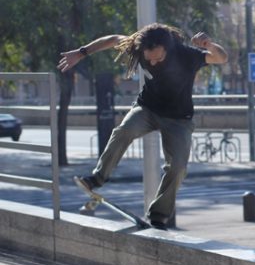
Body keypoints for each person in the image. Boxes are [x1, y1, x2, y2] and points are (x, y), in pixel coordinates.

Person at [58, 23, 228, 230]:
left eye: (158, 57)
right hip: (147, 109)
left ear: (168, 48)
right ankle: (96, 178)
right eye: (149, 59)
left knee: (178, 167)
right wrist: (82, 52)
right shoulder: (138, 47)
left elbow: (221, 58)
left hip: (178, 119)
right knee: (123, 131)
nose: (153, 62)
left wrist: (209, 44)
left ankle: (159, 215)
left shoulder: (187, 55)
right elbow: (112, 40)